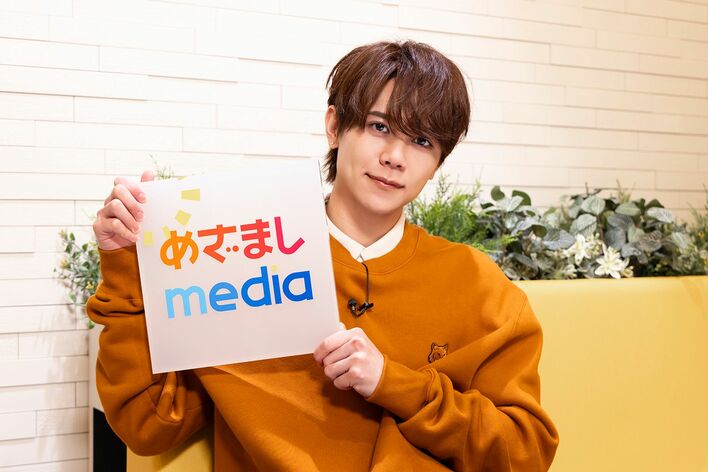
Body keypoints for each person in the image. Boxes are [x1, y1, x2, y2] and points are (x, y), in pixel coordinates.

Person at [88, 40, 559, 471]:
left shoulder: (478, 286)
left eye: (422, 141)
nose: (395, 157)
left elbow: (525, 453)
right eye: (379, 127)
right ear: (335, 127)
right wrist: (124, 261)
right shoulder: (238, 257)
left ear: (438, 162)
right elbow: (148, 424)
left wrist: (394, 383)